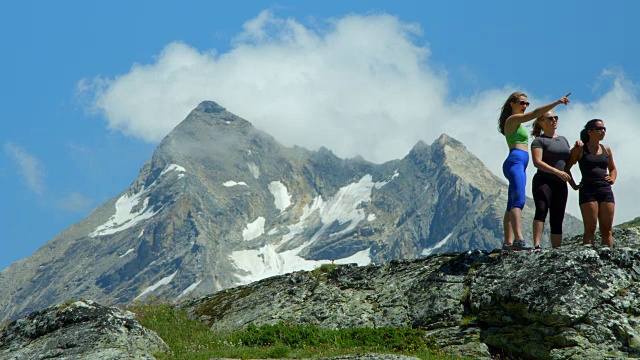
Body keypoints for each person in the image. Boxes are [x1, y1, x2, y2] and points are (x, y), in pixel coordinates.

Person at [498, 91, 571, 250]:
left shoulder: (516, 123)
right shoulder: (512, 119)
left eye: (526, 103)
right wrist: (557, 102)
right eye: (521, 103)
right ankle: (519, 240)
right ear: (512, 104)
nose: (524, 106)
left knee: (511, 203)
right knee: (519, 201)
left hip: (519, 163)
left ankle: (508, 242)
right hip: (515, 161)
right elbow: (536, 114)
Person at [530, 110, 581, 249]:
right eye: (550, 118)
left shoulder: (563, 140)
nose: (554, 120)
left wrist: (577, 149)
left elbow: (568, 163)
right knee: (541, 209)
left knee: (558, 215)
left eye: (555, 117)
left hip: (560, 182)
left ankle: (556, 249)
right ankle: (536, 245)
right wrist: (557, 172)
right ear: (541, 122)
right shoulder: (539, 141)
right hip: (543, 180)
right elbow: (537, 162)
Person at [565, 119, 617, 248]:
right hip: (588, 189)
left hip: (605, 190)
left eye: (604, 129)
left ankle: (608, 259)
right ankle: (589, 260)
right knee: (591, 227)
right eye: (599, 129)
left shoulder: (607, 149)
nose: (603, 131)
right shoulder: (580, 149)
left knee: (607, 229)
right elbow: (567, 168)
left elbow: (613, 169)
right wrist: (574, 185)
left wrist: (612, 178)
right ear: (590, 132)